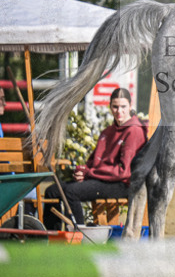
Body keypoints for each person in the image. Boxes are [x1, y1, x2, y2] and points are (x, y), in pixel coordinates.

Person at [43, 88, 147, 231]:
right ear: (110, 106)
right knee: (52, 191)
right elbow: (92, 163)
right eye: (115, 107)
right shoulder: (107, 132)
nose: (119, 111)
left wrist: (90, 173)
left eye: (123, 107)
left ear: (130, 106)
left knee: (71, 192)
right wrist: (81, 171)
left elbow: (123, 172)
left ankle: (80, 238)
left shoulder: (134, 130)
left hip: (122, 184)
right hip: (101, 179)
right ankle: (51, 237)